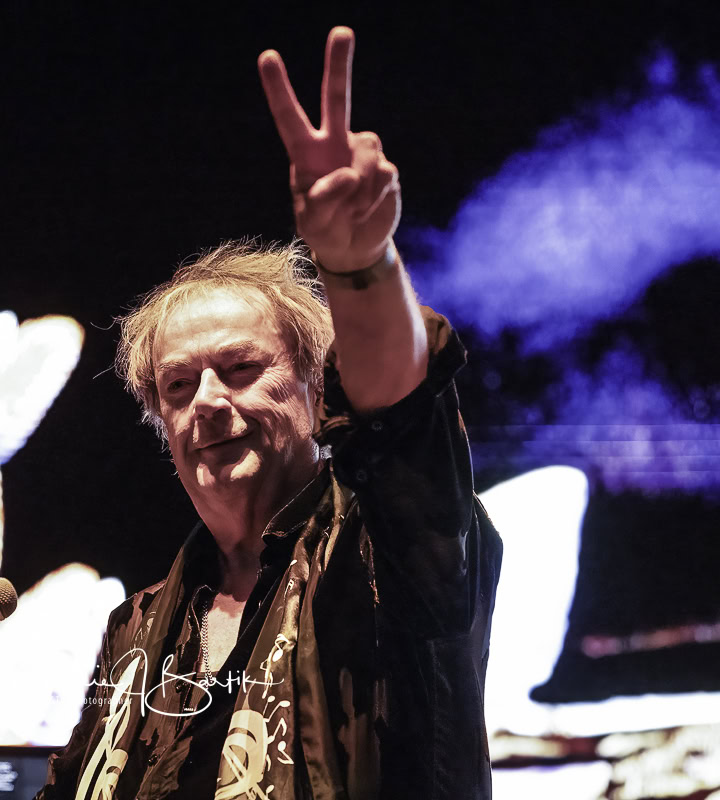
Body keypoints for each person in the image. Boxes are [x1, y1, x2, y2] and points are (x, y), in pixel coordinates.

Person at [37, 26, 502, 800]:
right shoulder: (137, 627)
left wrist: (359, 265)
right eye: (178, 387)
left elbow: (399, 415)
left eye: (242, 369)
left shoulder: (383, 551)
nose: (208, 401)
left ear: (319, 389)